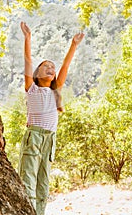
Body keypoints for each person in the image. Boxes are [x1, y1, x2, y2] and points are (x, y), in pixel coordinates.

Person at [18, 21, 84, 215]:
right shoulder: (32, 88)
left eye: (52, 67)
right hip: (34, 137)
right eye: (45, 66)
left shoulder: (55, 90)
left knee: (43, 181)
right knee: (28, 177)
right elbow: (28, 60)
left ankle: (39, 212)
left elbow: (65, 65)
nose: (50, 68)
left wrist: (73, 44)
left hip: (50, 138)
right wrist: (28, 38)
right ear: (37, 74)